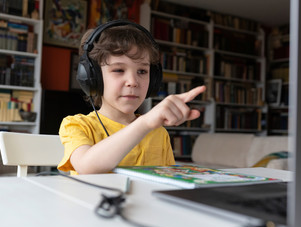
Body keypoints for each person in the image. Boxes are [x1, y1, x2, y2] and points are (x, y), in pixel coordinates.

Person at [57, 20, 206, 175]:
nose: (133, 82)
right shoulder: (77, 125)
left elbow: (167, 181)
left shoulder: (159, 133)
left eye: (142, 71)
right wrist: (144, 123)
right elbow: (86, 167)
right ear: (94, 78)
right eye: (119, 70)